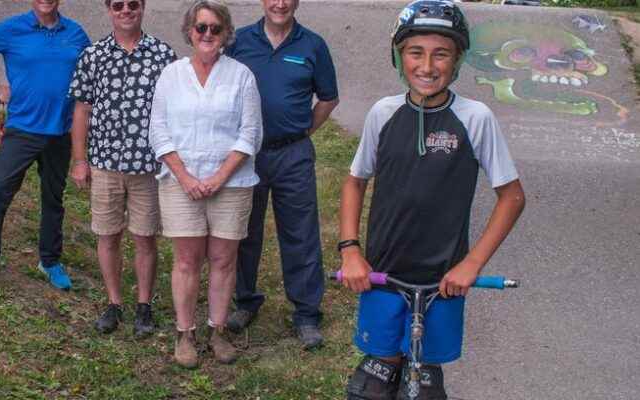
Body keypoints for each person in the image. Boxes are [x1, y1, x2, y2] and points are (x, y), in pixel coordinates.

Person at [338, 1, 526, 399]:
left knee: (423, 388)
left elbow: (511, 197)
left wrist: (471, 265)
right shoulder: (383, 113)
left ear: (457, 60)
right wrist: (351, 250)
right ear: (399, 57)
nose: (427, 65)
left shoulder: (475, 118)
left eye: (441, 53)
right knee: (371, 385)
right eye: (415, 53)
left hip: (443, 282)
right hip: (382, 275)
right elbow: (355, 182)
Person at [149, 0, 263, 369]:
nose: (208, 35)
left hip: (231, 184)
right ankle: (185, 333)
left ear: (226, 33)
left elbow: (250, 134)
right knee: (186, 261)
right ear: (189, 32)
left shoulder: (241, 76)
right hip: (180, 183)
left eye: (216, 28)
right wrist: (185, 176)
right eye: (201, 28)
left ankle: (217, 330)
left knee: (223, 260)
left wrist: (217, 178)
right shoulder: (171, 75)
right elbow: (158, 131)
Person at [224, 0, 339, 350]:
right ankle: (244, 302)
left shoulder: (313, 45)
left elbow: (328, 98)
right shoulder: (239, 41)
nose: (280, 3)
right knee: (243, 230)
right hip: (247, 154)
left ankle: (306, 314)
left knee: (300, 233)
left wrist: (303, 131)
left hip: (293, 154)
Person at [0, 0, 90, 295]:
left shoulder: (76, 33)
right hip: (22, 129)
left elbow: (90, 74)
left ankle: (49, 260)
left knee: (53, 198)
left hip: (60, 130)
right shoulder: (13, 28)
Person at [68, 0, 177, 337]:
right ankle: (114, 303)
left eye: (133, 4)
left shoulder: (162, 54)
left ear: (142, 8)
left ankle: (144, 305)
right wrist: (79, 160)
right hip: (104, 164)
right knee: (108, 234)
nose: (126, 10)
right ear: (109, 10)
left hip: (147, 166)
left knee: (145, 238)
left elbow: (177, 108)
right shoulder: (94, 54)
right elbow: (82, 111)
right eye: (119, 5)